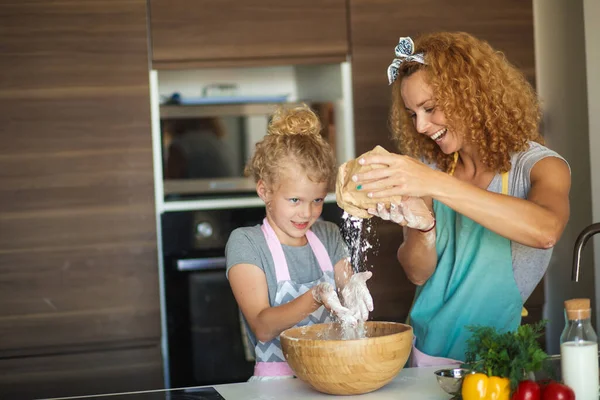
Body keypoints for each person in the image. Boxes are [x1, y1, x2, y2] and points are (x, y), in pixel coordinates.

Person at [350, 32, 571, 366]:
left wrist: (435, 183)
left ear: (470, 95)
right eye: (412, 114)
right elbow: (418, 274)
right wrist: (424, 229)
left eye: (429, 108)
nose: (421, 126)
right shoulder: (430, 170)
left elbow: (545, 231)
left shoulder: (540, 167)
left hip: (495, 358)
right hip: (423, 351)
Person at [225, 105, 374, 381]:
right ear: (265, 191)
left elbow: (345, 287)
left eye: (317, 200)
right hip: (278, 385)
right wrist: (315, 297)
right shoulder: (247, 243)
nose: (307, 213)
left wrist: (353, 291)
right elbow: (263, 326)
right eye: (295, 200)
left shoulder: (328, 234)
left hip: (332, 376)